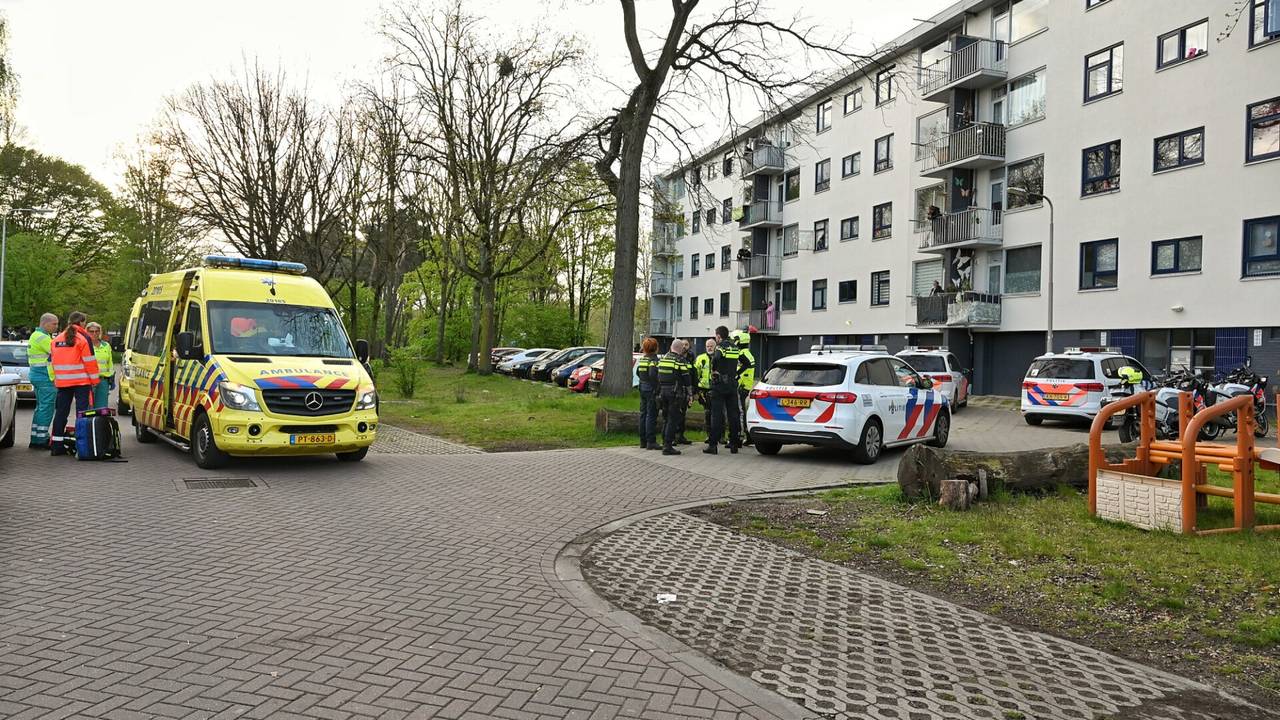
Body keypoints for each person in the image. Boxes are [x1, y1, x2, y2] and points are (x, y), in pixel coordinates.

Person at [48, 311, 100, 456]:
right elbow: (90, 361)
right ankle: (81, 446)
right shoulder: (83, 339)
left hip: (63, 383)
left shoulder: (56, 339)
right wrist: (95, 380)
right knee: (82, 414)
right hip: (81, 382)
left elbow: (52, 361)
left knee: (61, 413)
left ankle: (56, 446)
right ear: (82, 323)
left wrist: (56, 379)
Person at [706, 325, 752, 454]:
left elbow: (716, 358)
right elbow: (747, 363)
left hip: (720, 385)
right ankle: (734, 444)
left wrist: (714, 371)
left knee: (717, 415)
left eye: (716, 336)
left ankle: (713, 445)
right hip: (732, 385)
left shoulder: (721, 347)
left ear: (719, 336)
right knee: (734, 415)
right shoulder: (735, 348)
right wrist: (737, 374)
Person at [26, 313, 59, 448]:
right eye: (54, 324)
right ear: (45, 323)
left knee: (40, 408)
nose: (56, 327)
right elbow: (57, 352)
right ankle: (41, 440)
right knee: (46, 408)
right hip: (45, 377)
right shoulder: (43, 338)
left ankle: (36, 436)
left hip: (38, 375)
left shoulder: (36, 335)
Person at [656, 339, 692, 455]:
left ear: (671, 347)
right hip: (675, 393)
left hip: (663, 393)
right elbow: (686, 378)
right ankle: (668, 446)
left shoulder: (663, 359)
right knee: (672, 419)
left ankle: (664, 442)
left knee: (666, 418)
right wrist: (690, 393)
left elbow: (658, 376)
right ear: (681, 349)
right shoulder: (680, 360)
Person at [636, 337, 660, 450]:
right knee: (651, 415)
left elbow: (637, 372)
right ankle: (651, 441)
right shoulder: (653, 360)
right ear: (655, 348)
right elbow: (653, 374)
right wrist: (656, 387)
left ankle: (643, 441)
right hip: (650, 390)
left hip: (642, 387)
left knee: (643, 414)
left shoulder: (643, 359)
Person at [86, 322, 114, 410]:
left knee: (101, 409)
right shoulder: (84, 345)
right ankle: (88, 424)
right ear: (87, 332)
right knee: (88, 408)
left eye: (97, 331)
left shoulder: (106, 346)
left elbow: (110, 363)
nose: (94, 333)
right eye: (91, 331)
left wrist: (111, 378)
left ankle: (98, 424)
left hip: (103, 381)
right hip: (88, 381)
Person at [735, 330, 756, 447]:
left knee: (740, 412)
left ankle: (740, 436)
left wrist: (736, 374)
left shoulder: (742, 354)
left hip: (741, 387)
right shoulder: (747, 353)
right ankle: (748, 436)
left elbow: (745, 367)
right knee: (743, 411)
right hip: (745, 386)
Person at [695, 338, 717, 434]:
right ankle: (709, 434)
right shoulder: (700, 358)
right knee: (707, 412)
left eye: (711, 346)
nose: (709, 348)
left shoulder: (718, 357)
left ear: (715, 347)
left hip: (716, 389)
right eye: (707, 346)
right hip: (704, 389)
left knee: (717, 412)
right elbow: (696, 373)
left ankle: (719, 435)